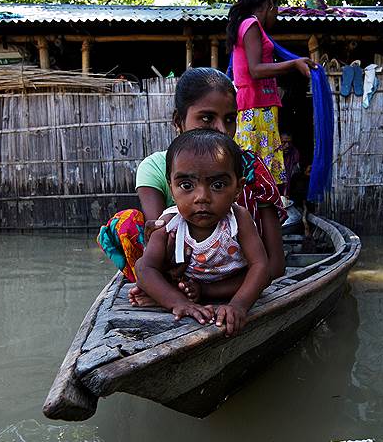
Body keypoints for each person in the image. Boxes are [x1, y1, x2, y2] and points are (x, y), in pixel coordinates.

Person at [97, 67, 285, 302]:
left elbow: (274, 266)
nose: (222, 130)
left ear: (237, 186)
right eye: (207, 118)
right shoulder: (156, 167)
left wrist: (219, 294)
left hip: (244, 275)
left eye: (229, 120)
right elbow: (160, 243)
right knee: (127, 222)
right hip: (175, 270)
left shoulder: (250, 168)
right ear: (178, 120)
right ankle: (166, 292)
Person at [136, 129, 270, 336]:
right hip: (188, 288)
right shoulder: (169, 223)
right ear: (171, 188)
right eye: (186, 185)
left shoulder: (238, 218)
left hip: (233, 287)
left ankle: (193, 296)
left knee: (259, 279)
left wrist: (239, 305)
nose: (202, 197)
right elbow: (145, 268)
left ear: (238, 188)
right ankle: (174, 297)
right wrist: (178, 303)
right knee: (154, 284)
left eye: (218, 185)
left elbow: (260, 266)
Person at [226, 0, 315, 187]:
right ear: (270, 4)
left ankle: (258, 216)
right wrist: (294, 64)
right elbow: (255, 69)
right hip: (255, 109)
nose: (276, 15)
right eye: (277, 9)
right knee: (256, 176)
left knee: (258, 175)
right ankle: (254, 217)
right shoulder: (251, 24)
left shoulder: (247, 25)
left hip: (259, 108)